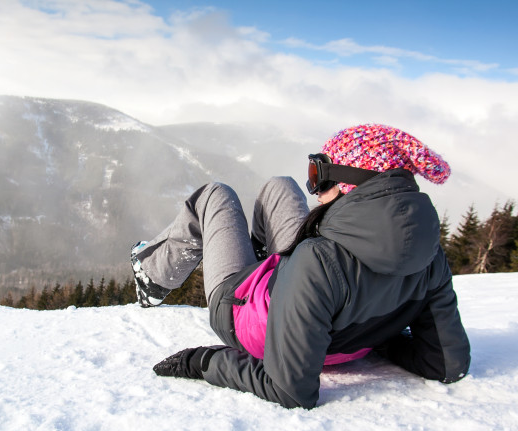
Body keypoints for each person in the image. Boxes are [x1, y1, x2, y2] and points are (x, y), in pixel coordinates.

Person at [130, 124, 471, 409]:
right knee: (280, 185)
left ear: (348, 183)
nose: (316, 191)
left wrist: (201, 362)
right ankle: (267, 264)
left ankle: (151, 276)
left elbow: (290, 389)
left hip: (240, 311)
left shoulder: (319, 260)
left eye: (320, 177)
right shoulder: (429, 255)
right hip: (305, 292)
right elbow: (446, 363)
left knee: (214, 195)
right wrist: (379, 338)